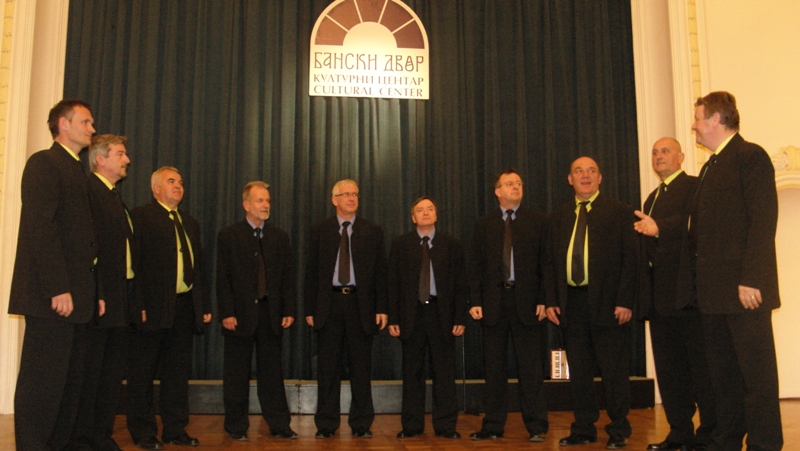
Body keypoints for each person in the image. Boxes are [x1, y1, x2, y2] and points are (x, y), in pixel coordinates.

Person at [689, 91, 782, 450]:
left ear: (716, 119)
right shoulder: (710, 166)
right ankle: (726, 441)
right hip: (714, 296)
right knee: (724, 378)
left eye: (698, 118)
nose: (694, 126)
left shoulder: (750, 156)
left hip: (745, 292)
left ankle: (764, 444)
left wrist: (752, 278)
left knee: (756, 378)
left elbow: (762, 220)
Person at [8, 99, 97, 450]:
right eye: (85, 122)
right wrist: (58, 287)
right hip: (52, 298)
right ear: (63, 124)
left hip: (76, 298)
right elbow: (40, 229)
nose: (92, 128)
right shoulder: (44, 163)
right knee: (43, 383)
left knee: (67, 385)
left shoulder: (76, 170)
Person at [544, 157, 637, 450]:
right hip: (571, 304)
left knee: (613, 371)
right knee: (580, 371)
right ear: (569, 179)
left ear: (600, 178)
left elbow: (631, 260)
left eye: (591, 171)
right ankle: (584, 428)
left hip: (610, 304)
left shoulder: (620, 212)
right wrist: (551, 300)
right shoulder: (559, 217)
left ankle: (618, 429)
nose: (585, 175)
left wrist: (625, 300)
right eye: (578, 171)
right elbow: (549, 263)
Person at [633, 138, 716, 451]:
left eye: (665, 151)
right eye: (654, 152)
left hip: (689, 299)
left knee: (701, 370)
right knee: (670, 373)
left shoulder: (695, 187)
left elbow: (696, 224)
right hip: (660, 302)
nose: (659, 156)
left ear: (681, 157)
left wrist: (660, 228)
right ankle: (680, 433)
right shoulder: (652, 198)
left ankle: (708, 436)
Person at [126, 166, 212, 450]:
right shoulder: (141, 217)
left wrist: (202, 305)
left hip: (183, 307)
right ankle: (143, 432)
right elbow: (134, 265)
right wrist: (137, 304)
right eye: (171, 181)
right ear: (156, 189)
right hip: (151, 308)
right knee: (142, 373)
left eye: (181, 182)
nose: (178, 186)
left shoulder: (190, 222)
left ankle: (175, 429)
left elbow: (198, 268)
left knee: (177, 373)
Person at [468, 169, 550, 442]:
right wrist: (476, 300)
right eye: (509, 184)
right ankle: (493, 425)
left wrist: (544, 298)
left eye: (519, 183)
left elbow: (546, 264)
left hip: (528, 303)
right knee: (494, 368)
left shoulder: (538, 221)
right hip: (494, 303)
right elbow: (476, 265)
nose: (516, 187)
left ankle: (537, 425)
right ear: (497, 191)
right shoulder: (484, 224)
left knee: (531, 368)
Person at [304, 179, 388, 439]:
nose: (352, 198)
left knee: (361, 368)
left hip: (360, 305)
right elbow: (311, 272)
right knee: (327, 368)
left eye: (355, 194)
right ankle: (326, 424)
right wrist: (310, 308)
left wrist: (382, 308)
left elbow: (381, 274)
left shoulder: (372, 231)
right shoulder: (320, 230)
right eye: (346, 194)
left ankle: (361, 423)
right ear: (334, 199)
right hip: (328, 305)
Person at [216, 182, 297, 441]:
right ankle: (236, 426)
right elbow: (223, 278)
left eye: (268, 201)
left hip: (270, 315)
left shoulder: (279, 237)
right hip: (239, 316)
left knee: (272, 373)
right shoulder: (229, 236)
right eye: (260, 200)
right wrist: (227, 312)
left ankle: (279, 424)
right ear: (246, 204)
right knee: (236, 374)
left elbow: (287, 278)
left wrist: (288, 309)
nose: (265, 205)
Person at [72, 134, 136, 451]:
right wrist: (96, 292)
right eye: (120, 154)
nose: (127, 160)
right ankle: (85, 438)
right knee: (94, 372)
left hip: (117, 297)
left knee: (110, 373)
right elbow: (88, 249)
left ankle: (101, 435)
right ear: (100, 159)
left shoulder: (112, 196)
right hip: (100, 300)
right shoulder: (91, 193)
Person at [388, 197, 467, 439]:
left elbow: (460, 284)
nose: (425, 213)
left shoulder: (451, 244)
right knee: (412, 372)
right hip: (411, 315)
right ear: (413, 218)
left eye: (430, 209)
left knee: (444, 372)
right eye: (420, 210)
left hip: (441, 314)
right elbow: (393, 284)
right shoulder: (400, 244)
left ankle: (446, 425)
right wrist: (394, 318)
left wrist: (460, 317)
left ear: (436, 215)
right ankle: (411, 425)